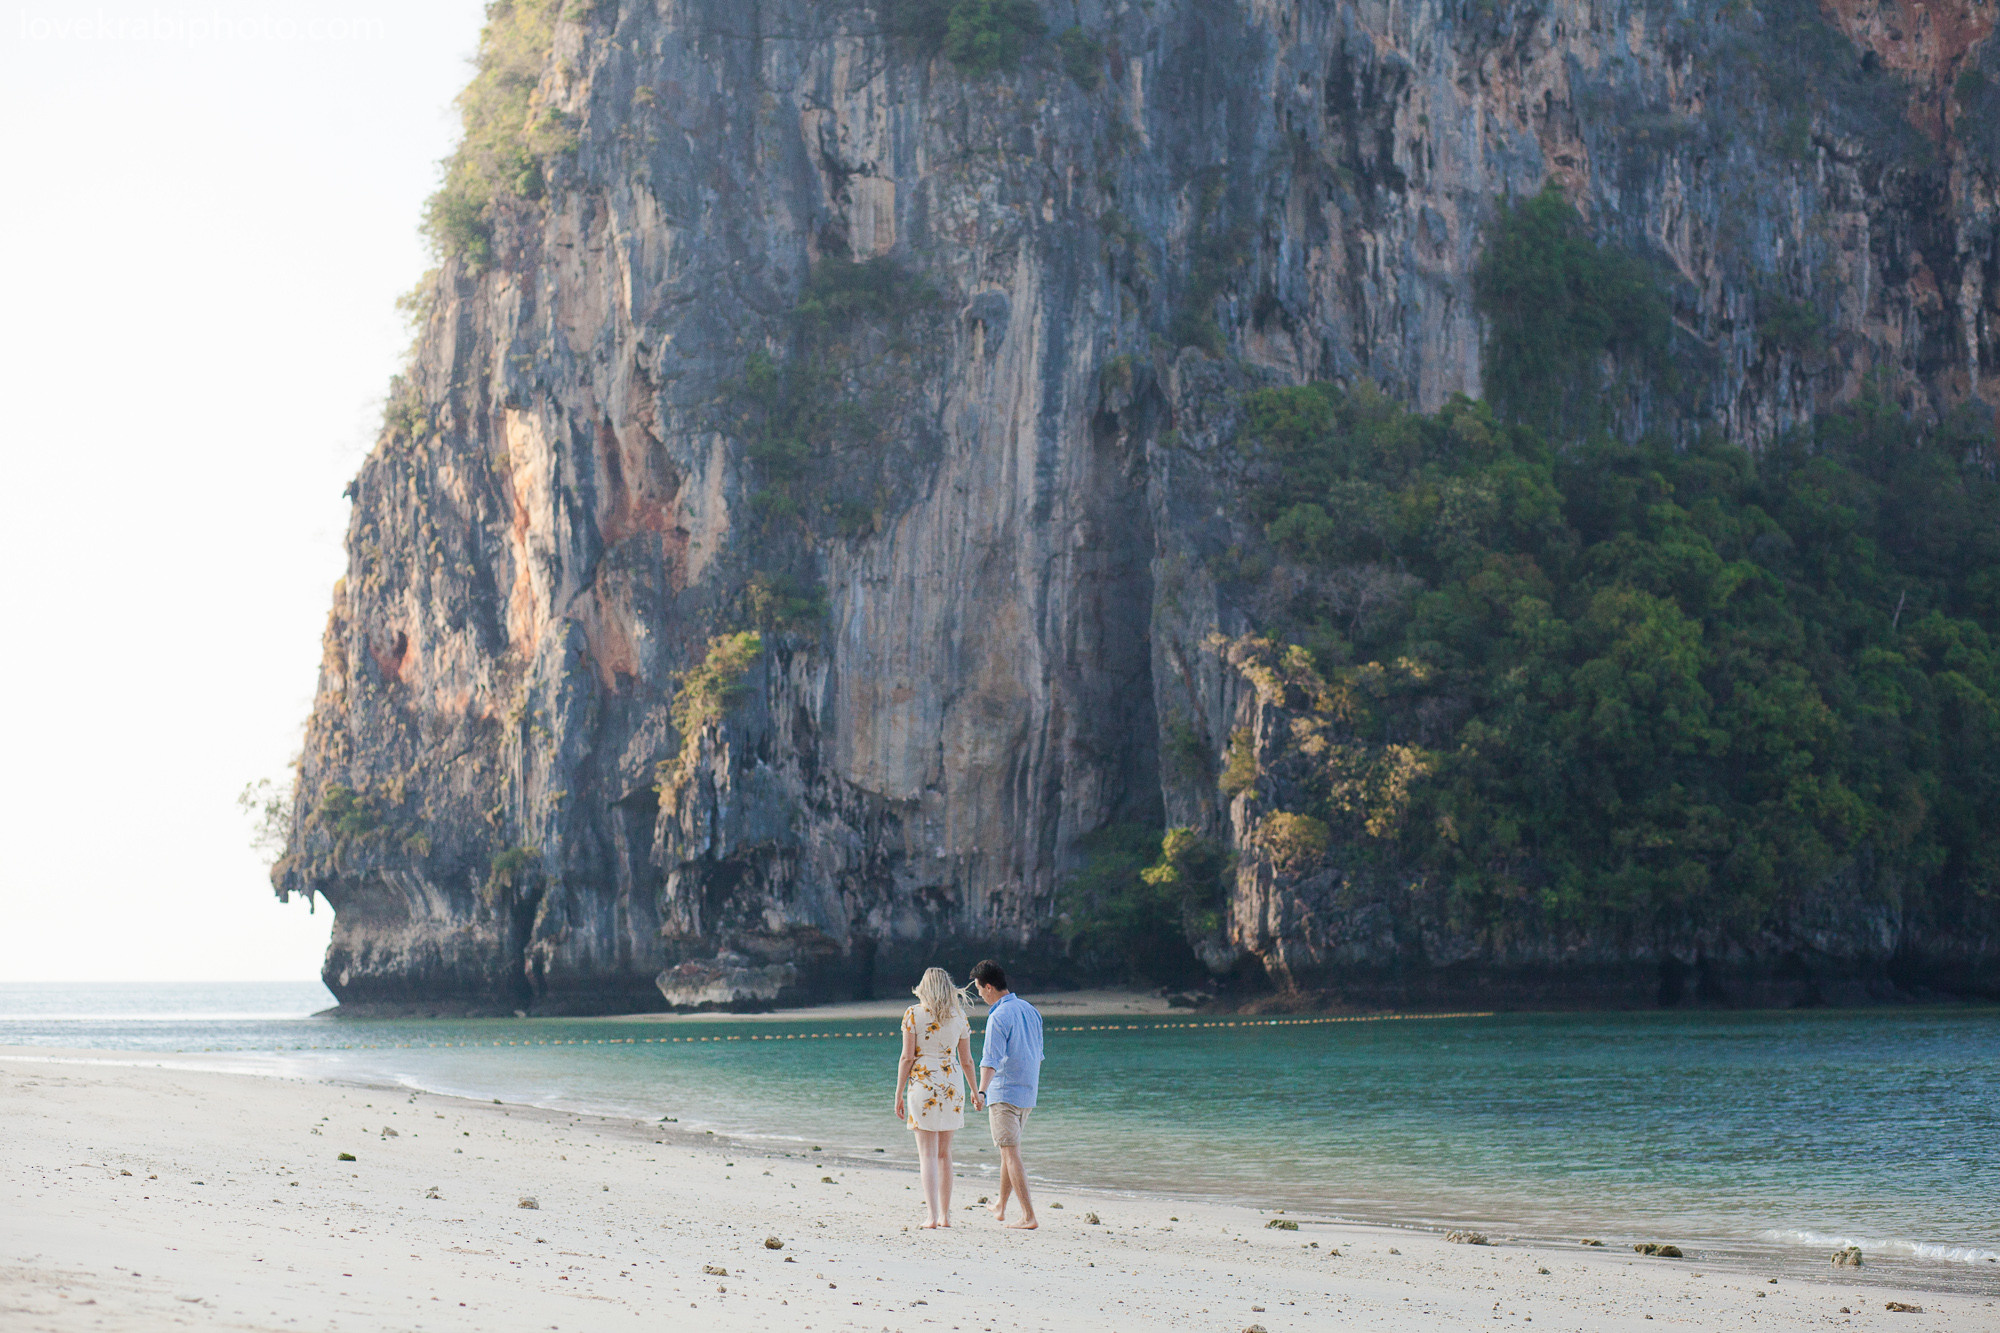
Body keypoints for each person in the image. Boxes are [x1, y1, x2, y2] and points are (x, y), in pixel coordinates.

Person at [893, 966, 975, 1228]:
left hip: (923, 1083)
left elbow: (907, 1057)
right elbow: (968, 1060)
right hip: (952, 1084)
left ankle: (931, 1216)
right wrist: (975, 1090)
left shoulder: (913, 1014)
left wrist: (898, 1093)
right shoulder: (960, 1016)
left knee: (927, 1155)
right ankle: (946, 1215)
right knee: (944, 1154)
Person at [969, 959, 1043, 1230]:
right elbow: (1038, 1056)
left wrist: (981, 1091)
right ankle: (1001, 1204)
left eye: (978, 989)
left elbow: (990, 1060)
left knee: (1011, 1154)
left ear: (989, 987)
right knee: (1008, 1151)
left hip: (1004, 1093)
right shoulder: (1030, 1010)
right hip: (1027, 1093)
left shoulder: (998, 1016)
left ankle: (1028, 1216)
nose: (978, 994)